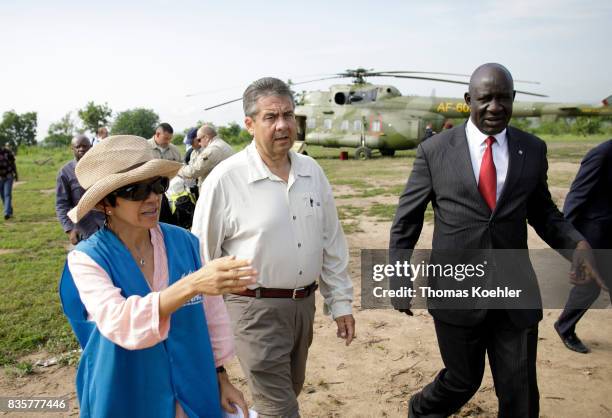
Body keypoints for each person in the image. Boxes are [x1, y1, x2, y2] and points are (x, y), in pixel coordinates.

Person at [389, 63, 605, 417]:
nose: (495, 106)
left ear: (513, 99)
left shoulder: (532, 149)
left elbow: (544, 212)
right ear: (468, 100)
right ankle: (421, 409)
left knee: (519, 390)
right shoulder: (435, 151)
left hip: (514, 292)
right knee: (462, 380)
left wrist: (577, 244)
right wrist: (398, 278)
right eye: (485, 98)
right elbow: (406, 221)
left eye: (503, 98)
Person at [59, 135, 256, 417]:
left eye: (157, 185)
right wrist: (192, 284)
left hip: (193, 386)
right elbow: (120, 321)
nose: (152, 197)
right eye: (135, 190)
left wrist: (221, 378)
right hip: (127, 391)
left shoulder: (185, 243)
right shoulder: (87, 260)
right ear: (105, 203)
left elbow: (211, 317)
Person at [192, 77, 355, 418]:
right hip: (253, 309)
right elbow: (201, 256)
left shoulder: (312, 172)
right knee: (279, 407)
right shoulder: (226, 179)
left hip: (302, 308)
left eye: (288, 115)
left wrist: (339, 302)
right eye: (270, 117)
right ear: (249, 124)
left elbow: (331, 242)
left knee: (287, 392)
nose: (282, 125)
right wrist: (209, 340)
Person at [555, 139, 612, 353]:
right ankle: (564, 326)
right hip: (594, 237)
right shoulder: (602, 154)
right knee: (589, 287)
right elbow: (575, 198)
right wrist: (570, 242)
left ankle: (564, 326)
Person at [56, 135, 105, 244]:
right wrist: (70, 230)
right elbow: (61, 204)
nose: (81, 149)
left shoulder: (102, 167)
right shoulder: (65, 172)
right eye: (78, 147)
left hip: (107, 226)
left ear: (91, 147)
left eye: (85, 146)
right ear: (72, 148)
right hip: (83, 230)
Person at [177, 125, 234, 193]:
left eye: (199, 140)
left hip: (220, 190)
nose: (199, 143)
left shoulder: (212, 150)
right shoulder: (220, 144)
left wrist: (178, 169)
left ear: (206, 137)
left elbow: (195, 171)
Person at [148, 123, 181, 224]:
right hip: (150, 191)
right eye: (166, 138)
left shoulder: (174, 150)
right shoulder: (144, 148)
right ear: (157, 134)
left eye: (170, 138)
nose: (168, 141)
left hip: (171, 192)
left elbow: (180, 168)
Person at [0, 143, 17, 220]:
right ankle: (9, 211)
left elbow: (13, 163)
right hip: (0, 178)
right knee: (3, 196)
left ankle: (6, 213)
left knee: (7, 195)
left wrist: (16, 174)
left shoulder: (7, 152)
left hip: (8, 176)